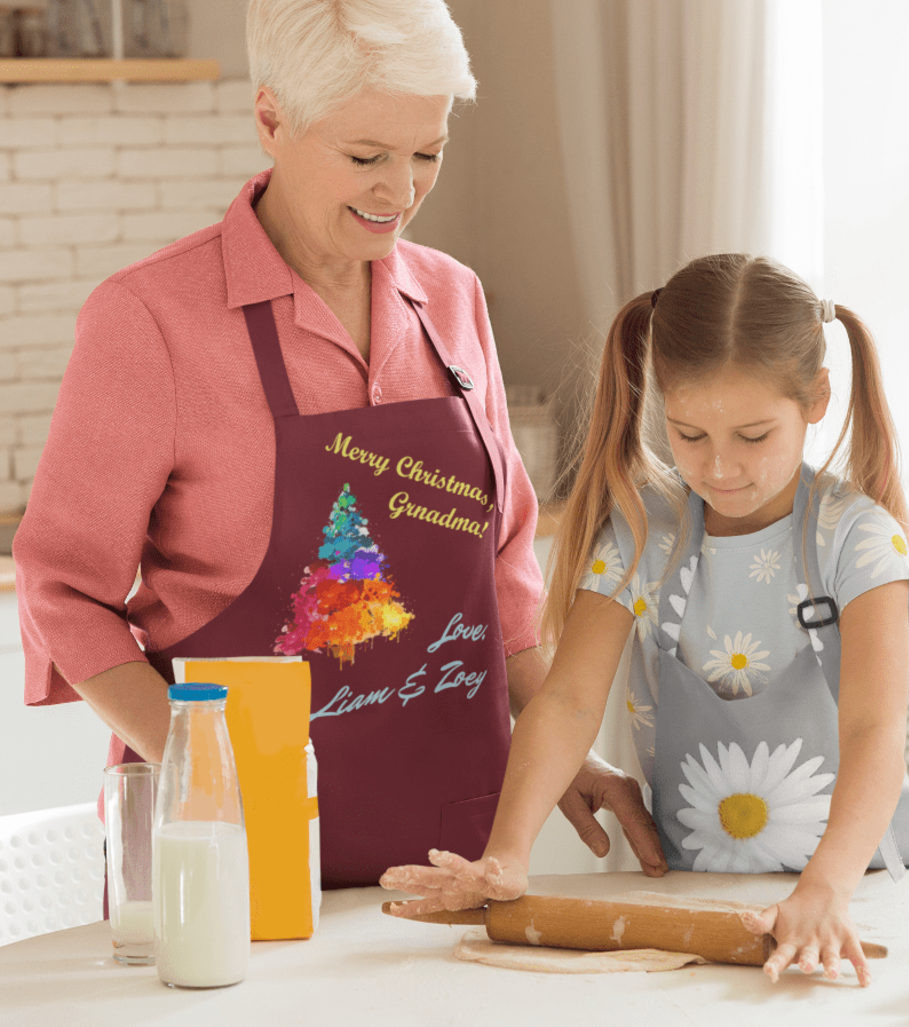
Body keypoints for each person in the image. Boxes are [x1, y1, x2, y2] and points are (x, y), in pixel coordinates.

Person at [13, 0, 661, 888]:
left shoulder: (453, 300)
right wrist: (202, 766)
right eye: (366, 157)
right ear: (271, 119)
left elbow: (503, 569)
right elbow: (63, 589)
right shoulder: (151, 320)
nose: (402, 191)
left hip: (449, 852)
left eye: (428, 153)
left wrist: (562, 750)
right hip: (228, 846)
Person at [381, 253, 909, 982]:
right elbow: (568, 701)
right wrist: (507, 853)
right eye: (689, 435)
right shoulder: (645, 532)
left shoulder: (858, 542)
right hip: (694, 901)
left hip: (854, 898)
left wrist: (825, 889)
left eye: (753, 436)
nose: (720, 468)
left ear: (816, 398)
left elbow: (875, 731)